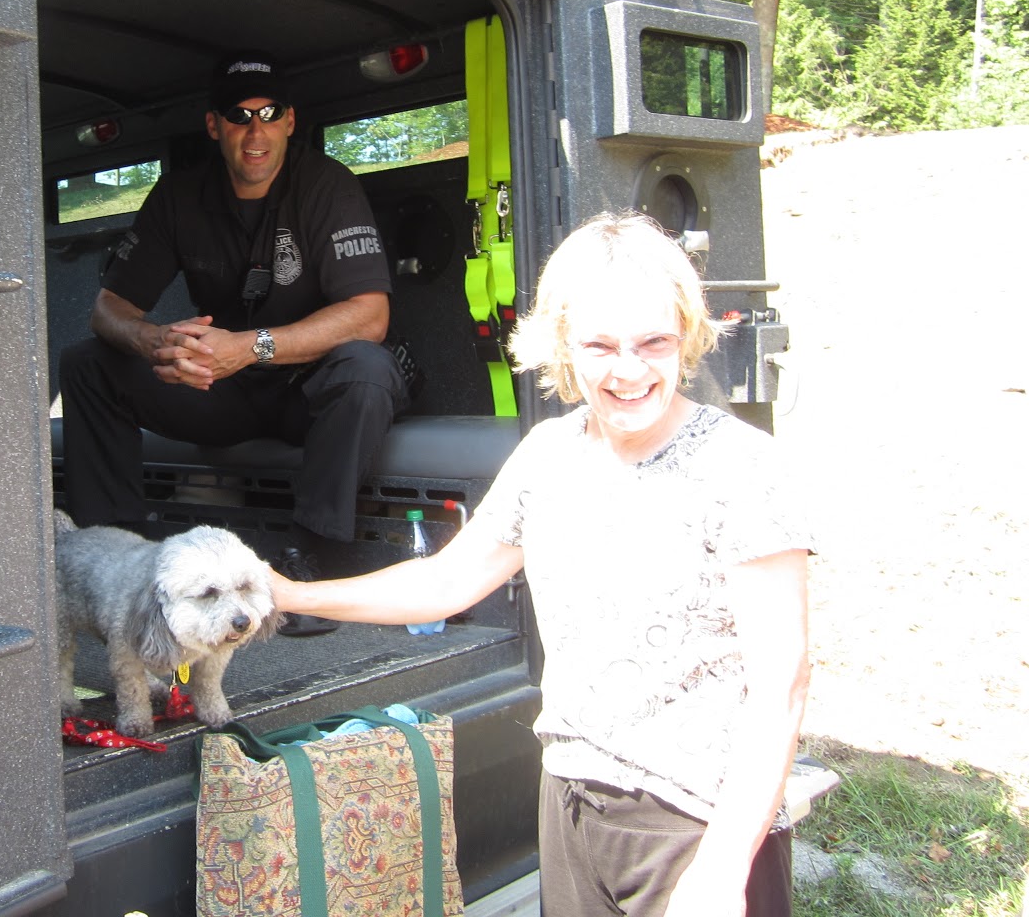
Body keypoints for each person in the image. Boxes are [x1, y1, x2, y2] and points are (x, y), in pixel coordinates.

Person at [272, 211, 812, 916]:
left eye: (653, 342)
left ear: (686, 334)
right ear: (562, 343)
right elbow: (446, 580)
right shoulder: (550, 454)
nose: (628, 370)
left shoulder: (739, 466)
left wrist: (722, 868)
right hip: (571, 797)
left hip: (694, 820)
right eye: (600, 345)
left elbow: (780, 686)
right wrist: (289, 594)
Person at [58, 51, 410, 635]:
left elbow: (370, 315)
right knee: (87, 365)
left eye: (269, 114)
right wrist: (155, 341)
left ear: (289, 121)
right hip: (219, 389)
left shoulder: (327, 185)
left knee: (366, 367)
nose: (255, 132)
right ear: (213, 125)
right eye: (239, 116)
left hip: (308, 393)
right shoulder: (179, 196)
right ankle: (118, 565)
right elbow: (108, 310)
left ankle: (309, 566)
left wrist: (250, 346)